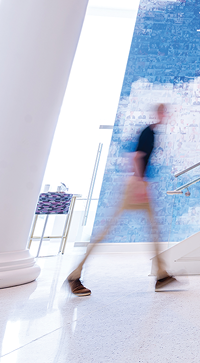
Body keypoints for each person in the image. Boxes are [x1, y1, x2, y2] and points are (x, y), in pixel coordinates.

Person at [66, 104, 176, 296]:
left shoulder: (152, 133)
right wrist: (140, 183)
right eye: (164, 112)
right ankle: (74, 275)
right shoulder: (148, 133)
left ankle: (162, 274)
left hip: (138, 184)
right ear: (159, 113)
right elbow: (135, 157)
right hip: (135, 185)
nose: (166, 116)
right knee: (108, 229)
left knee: (154, 228)